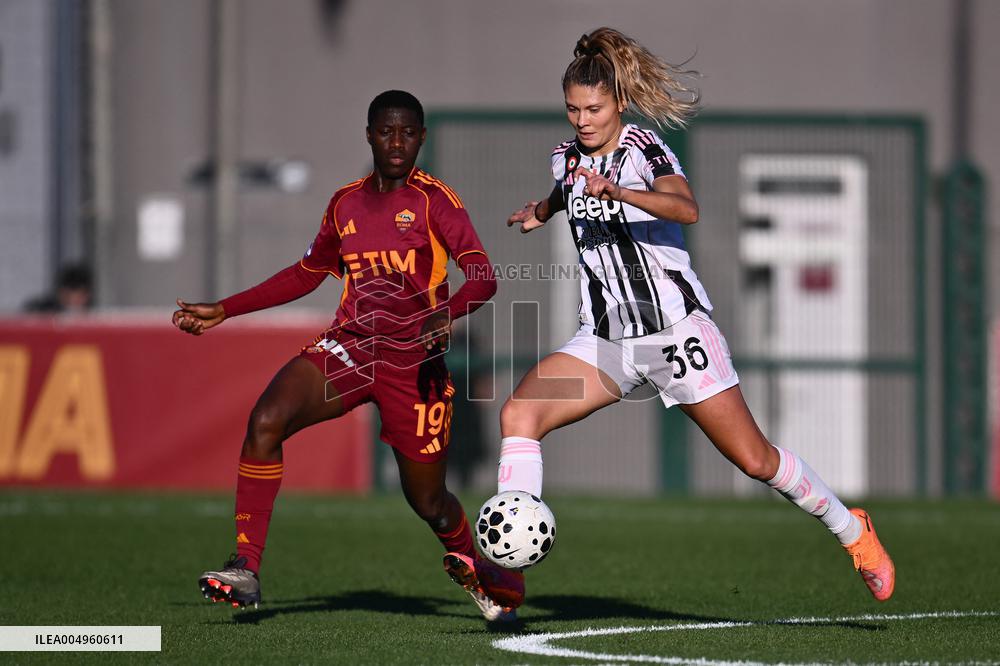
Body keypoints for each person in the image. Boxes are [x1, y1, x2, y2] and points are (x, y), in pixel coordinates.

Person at [481, 28, 894, 607]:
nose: (583, 119)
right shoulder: (567, 156)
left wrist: (622, 193)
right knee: (519, 414)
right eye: (573, 109)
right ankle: (509, 567)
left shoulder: (645, 150)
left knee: (756, 460)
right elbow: (568, 186)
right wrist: (544, 209)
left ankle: (853, 531)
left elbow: (687, 208)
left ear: (619, 102)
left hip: (676, 333)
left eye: (594, 109)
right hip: (606, 340)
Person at [172, 90, 523, 621]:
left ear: (422, 139)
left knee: (428, 502)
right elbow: (305, 274)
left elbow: (483, 276)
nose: (398, 142)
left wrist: (445, 314)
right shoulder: (345, 204)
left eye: (408, 133)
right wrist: (226, 308)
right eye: (387, 131)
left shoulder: (436, 201)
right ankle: (245, 566)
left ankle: (478, 568)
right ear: (369, 135)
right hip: (352, 348)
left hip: (414, 364)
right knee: (266, 420)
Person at [23, 263, 94, 313]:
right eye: (67, 296)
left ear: (87, 296)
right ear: (59, 294)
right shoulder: (46, 311)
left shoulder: (94, 317)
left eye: (78, 298)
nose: (72, 302)